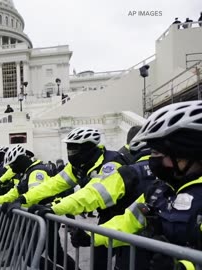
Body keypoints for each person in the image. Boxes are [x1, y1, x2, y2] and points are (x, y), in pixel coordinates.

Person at [71, 101, 202, 270]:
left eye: (157, 153)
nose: (152, 160)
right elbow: (128, 221)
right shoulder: (159, 190)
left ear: (185, 155)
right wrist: (90, 236)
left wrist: (182, 266)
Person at [4, 127, 127, 270]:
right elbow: (53, 185)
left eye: (73, 151)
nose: (70, 155)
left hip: (128, 216)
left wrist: (54, 208)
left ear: (88, 148)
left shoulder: (111, 164)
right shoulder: (78, 166)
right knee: (99, 261)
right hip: (108, 215)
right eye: (69, 150)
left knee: (125, 262)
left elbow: (91, 194)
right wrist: (23, 198)